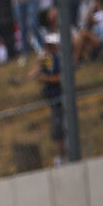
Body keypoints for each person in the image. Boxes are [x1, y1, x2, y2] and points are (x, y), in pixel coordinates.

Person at [30, 34, 66, 166]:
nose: (49, 48)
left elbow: (61, 78)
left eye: (51, 45)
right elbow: (39, 71)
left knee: (61, 128)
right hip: (53, 100)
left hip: (62, 98)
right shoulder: (49, 59)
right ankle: (61, 155)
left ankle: (64, 156)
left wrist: (45, 78)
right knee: (57, 130)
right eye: (47, 46)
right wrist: (40, 62)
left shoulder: (62, 58)